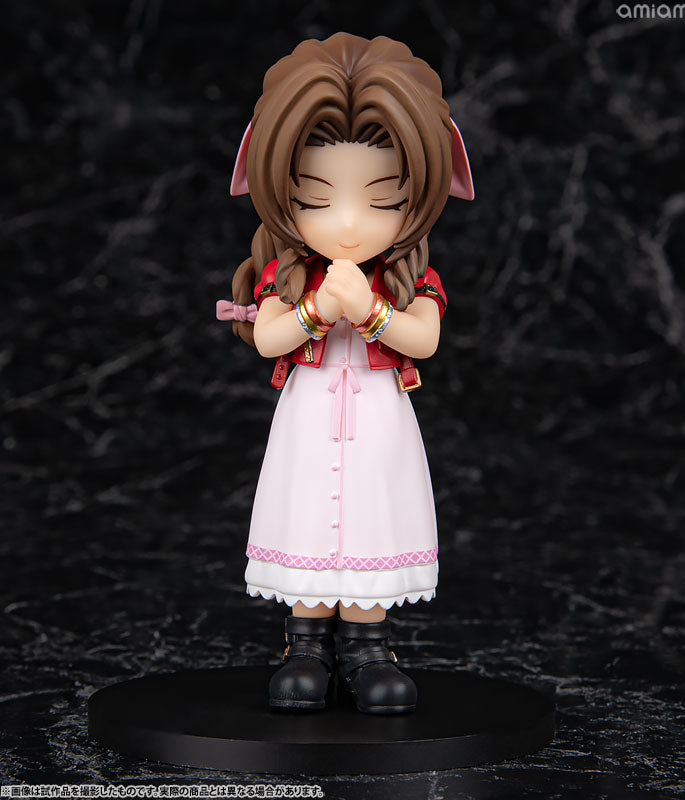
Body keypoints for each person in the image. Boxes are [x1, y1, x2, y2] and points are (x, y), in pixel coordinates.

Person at [216, 32, 474, 714]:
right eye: (317, 199)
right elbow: (268, 336)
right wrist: (317, 308)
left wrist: (370, 312)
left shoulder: (408, 277)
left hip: (381, 421)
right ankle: (304, 645)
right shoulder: (290, 273)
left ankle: (366, 648)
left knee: (372, 516)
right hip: (307, 419)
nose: (350, 224)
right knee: (306, 510)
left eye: (383, 201)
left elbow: (426, 338)